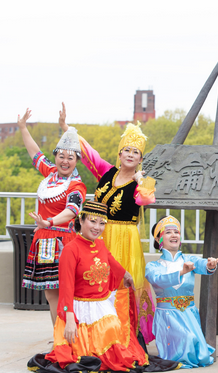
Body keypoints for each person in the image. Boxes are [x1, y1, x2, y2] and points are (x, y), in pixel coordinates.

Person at [27, 201, 179, 373]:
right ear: (81, 220)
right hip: (78, 308)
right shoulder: (70, 250)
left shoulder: (99, 244)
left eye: (102, 223)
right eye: (93, 221)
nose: (97, 227)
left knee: (114, 331)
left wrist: (126, 275)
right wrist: (69, 319)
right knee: (82, 351)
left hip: (101, 304)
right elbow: (67, 287)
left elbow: (111, 261)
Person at [59, 103, 158, 344]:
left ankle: (128, 333)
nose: (130, 154)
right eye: (127, 150)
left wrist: (140, 180)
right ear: (120, 153)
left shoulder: (142, 183)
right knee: (96, 280)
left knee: (124, 282)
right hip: (98, 233)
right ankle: (97, 330)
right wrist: (67, 129)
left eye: (136, 152)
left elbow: (146, 200)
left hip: (124, 237)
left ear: (141, 158)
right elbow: (90, 154)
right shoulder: (107, 172)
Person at [18, 108, 86, 325]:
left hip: (65, 241)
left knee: (69, 291)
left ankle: (70, 333)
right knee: (50, 293)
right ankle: (58, 333)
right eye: (61, 156)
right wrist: (23, 128)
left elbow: (72, 211)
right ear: (56, 156)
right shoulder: (50, 174)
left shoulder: (76, 185)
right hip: (44, 240)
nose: (65, 161)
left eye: (71, 158)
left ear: (77, 161)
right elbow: (34, 153)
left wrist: (49, 221)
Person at [145, 216, 218, 368]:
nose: (174, 235)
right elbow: (158, 280)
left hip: (188, 314)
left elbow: (201, 264)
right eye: (168, 232)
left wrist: (210, 265)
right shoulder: (153, 266)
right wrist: (181, 272)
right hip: (167, 317)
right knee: (188, 338)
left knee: (197, 348)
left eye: (176, 232)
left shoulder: (189, 259)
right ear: (159, 239)